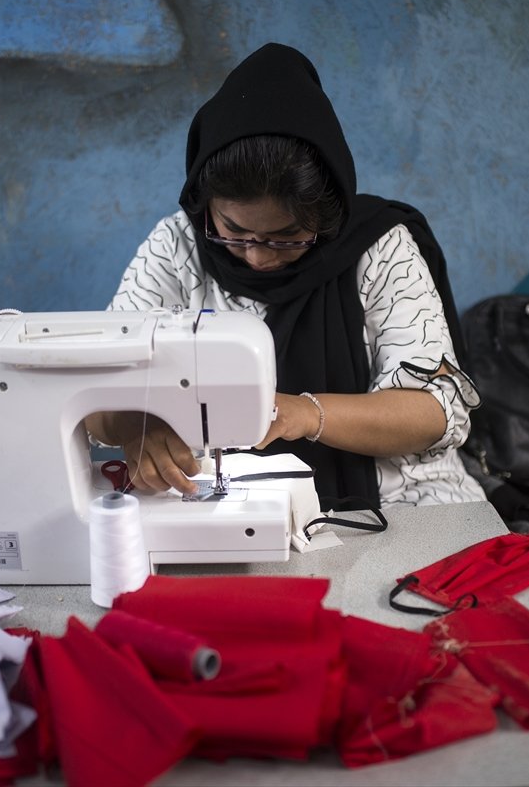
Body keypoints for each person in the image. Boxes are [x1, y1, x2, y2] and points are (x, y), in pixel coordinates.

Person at [85, 43, 485, 509]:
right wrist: (135, 424)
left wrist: (303, 412)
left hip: (398, 502)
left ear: (325, 217)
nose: (256, 257)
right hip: (215, 502)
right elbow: (93, 394)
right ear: (203, 203)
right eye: (234, 231)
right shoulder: (176, 248)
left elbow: (437, 412)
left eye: (286, 237)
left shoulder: (378, 247)